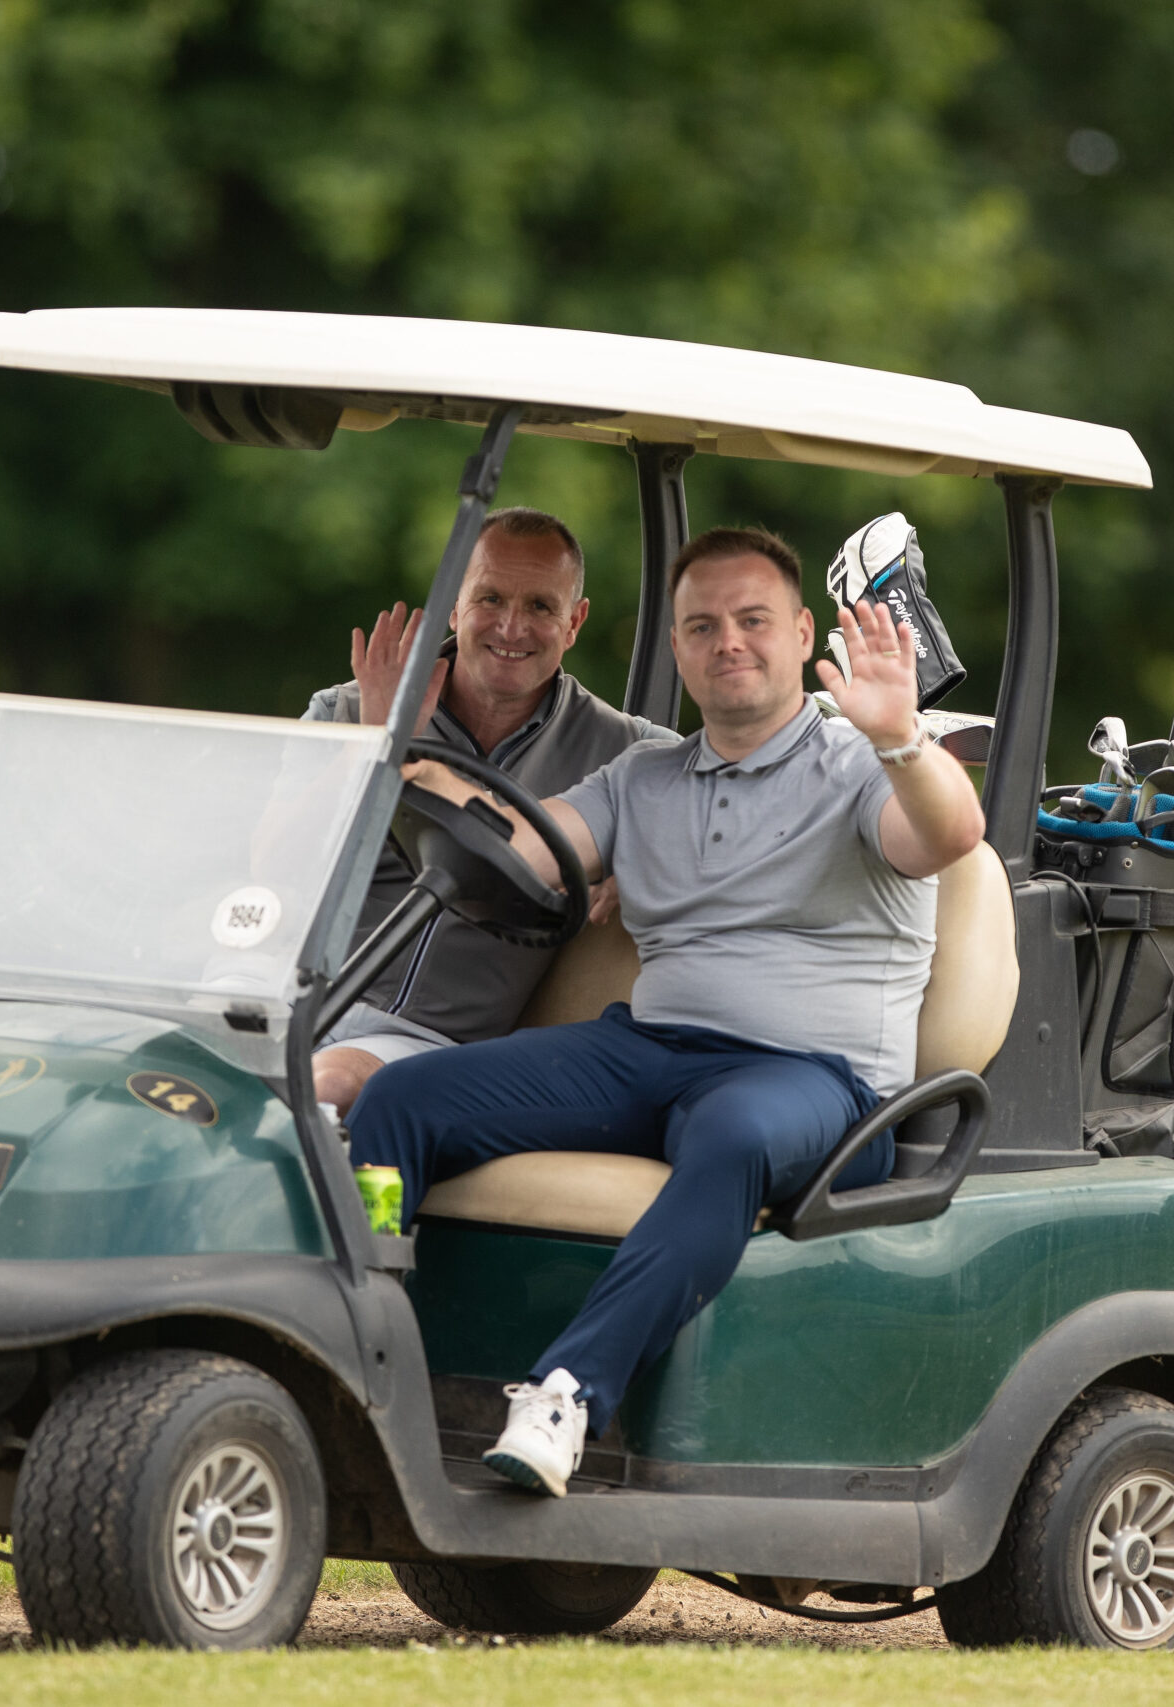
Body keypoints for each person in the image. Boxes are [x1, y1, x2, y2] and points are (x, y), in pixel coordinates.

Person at [347, 525, 987, 1495]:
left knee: (730, 1135)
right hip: (650, 1053)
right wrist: (400, 745)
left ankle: (567, 1394)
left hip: (813, 1083)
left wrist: (899, 734)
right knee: (402, 1098)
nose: (728, 641)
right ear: (678, 647)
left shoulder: (863, 766)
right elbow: (521, 848)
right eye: (701, 625)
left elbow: (948, 832)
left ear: (800, 633)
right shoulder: (640, 780)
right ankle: (365, 1338)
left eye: (752, 620)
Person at [303, 507, 669, 1114]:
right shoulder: (347, 708)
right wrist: (376, 741)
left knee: (327, 1085)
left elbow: (721, 802)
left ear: (574, 622)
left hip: (423, 1039)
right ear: (455, 605)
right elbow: (270, 859)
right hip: (291, 991)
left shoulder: (628, 752)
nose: (511, 626)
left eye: (541, 607)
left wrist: (652, 853)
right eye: (491, 598)